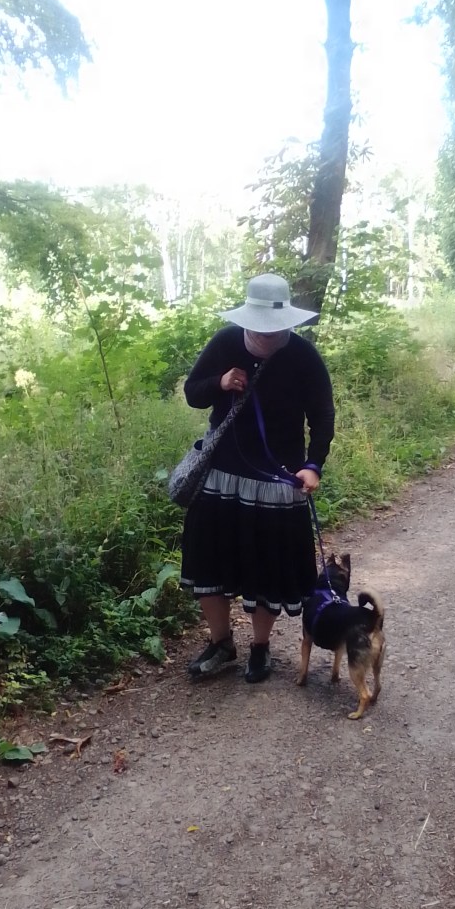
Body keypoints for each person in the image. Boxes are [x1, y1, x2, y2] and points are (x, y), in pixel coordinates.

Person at [180, 273, 335, 683]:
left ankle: (261, 648)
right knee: (208, 561)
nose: (268, 336)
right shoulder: (225, 342)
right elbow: (193, 392)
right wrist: (220, 382)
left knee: (267, 568)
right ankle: (221, 643)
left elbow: (322, 415)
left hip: (278, 480)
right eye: (261, 329)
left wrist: (313, 464)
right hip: (221, 474)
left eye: (276, 329)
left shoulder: (304, 356)